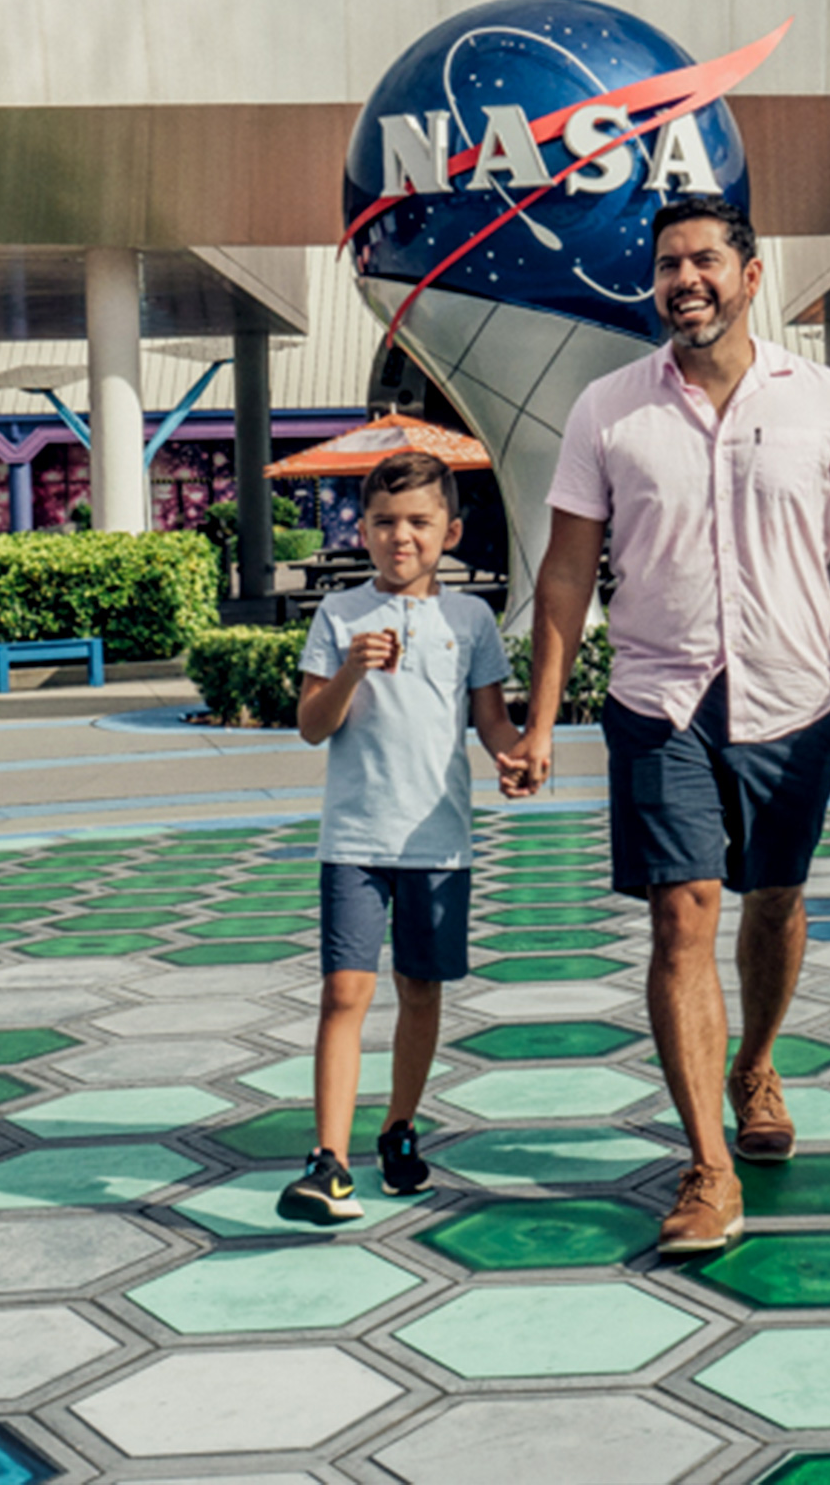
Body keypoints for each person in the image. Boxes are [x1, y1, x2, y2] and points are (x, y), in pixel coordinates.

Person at [503, 195, 830, 1256]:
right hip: (657, 701)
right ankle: (706, 1165)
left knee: (774, 904)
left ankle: (757, 1061)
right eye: (666, 265)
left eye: (702, 261)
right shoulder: (606, 409)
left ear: (750, 273)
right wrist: (544, 718)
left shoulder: (824, 400)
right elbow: (563, 571)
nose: (683, 280)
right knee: (681, 916)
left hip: (794, 697)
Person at [281, 450, 520, 1222]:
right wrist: (351, 670)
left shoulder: (471, 619)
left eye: (419, 522)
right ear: (363, 531)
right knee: (344, 991)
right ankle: (328, 1160)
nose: (401, 537)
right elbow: (313, 727)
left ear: (450, 531)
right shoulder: (339, 616)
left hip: (439, 840)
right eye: (384, 522)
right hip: (355, 838)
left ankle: (400, 1131)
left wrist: (518, 754)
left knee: (422, 990)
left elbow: (490, 720)